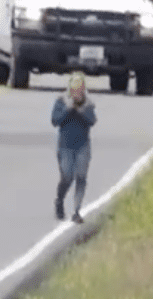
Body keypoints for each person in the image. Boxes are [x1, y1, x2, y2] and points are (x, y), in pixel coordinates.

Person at [50, 72, 96, 224]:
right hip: (65, 146)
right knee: (67, 176)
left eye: (80, 90)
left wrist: (81, 111)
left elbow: (92, 120)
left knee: (81, 177)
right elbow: (55, 120)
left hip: (83, 145)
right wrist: (69, 109)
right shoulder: (62, 101)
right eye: (75, 90)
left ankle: (76, 210)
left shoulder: (88, 103)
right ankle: (59, 200)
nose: (77, 93)